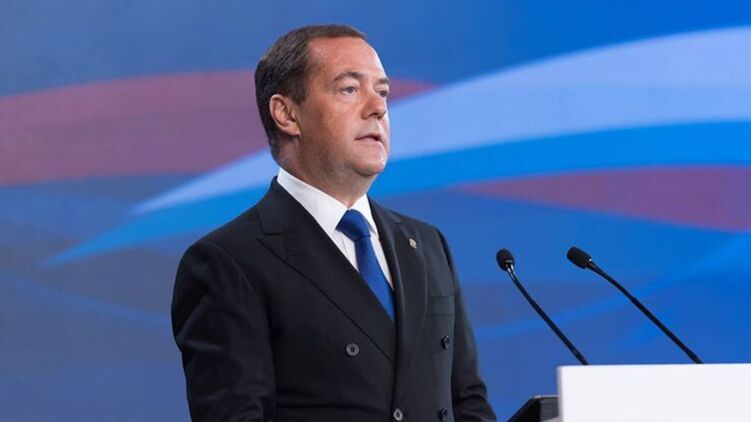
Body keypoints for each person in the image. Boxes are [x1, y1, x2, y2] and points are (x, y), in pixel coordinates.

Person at [172, 24, 496, 422]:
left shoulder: (427, 245)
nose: (378, 108)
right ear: (287, 114)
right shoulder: (228, 262)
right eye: (349, 89)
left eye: (383, 92)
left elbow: (469, 404)